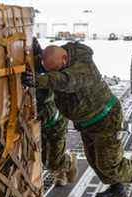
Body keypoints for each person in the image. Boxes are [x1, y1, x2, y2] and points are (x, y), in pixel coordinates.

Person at [23, 41, 132, 197]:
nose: (52, 73)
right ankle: (117, 187)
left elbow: (67, 81)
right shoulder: (60, 60)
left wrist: (40, 81)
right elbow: (52, 68)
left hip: (106, 119)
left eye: (55, 70)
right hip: (87, 123)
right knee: (95, 161)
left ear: (64, 59)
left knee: (109, 164)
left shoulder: (84, 65)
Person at [29, 38, 77, 186]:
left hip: (56, 121)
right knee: (43, 160)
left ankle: (69, 162)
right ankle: (60, 171)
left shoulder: (49, 70)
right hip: (41, 123)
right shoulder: (32, 66)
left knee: (54, 162)